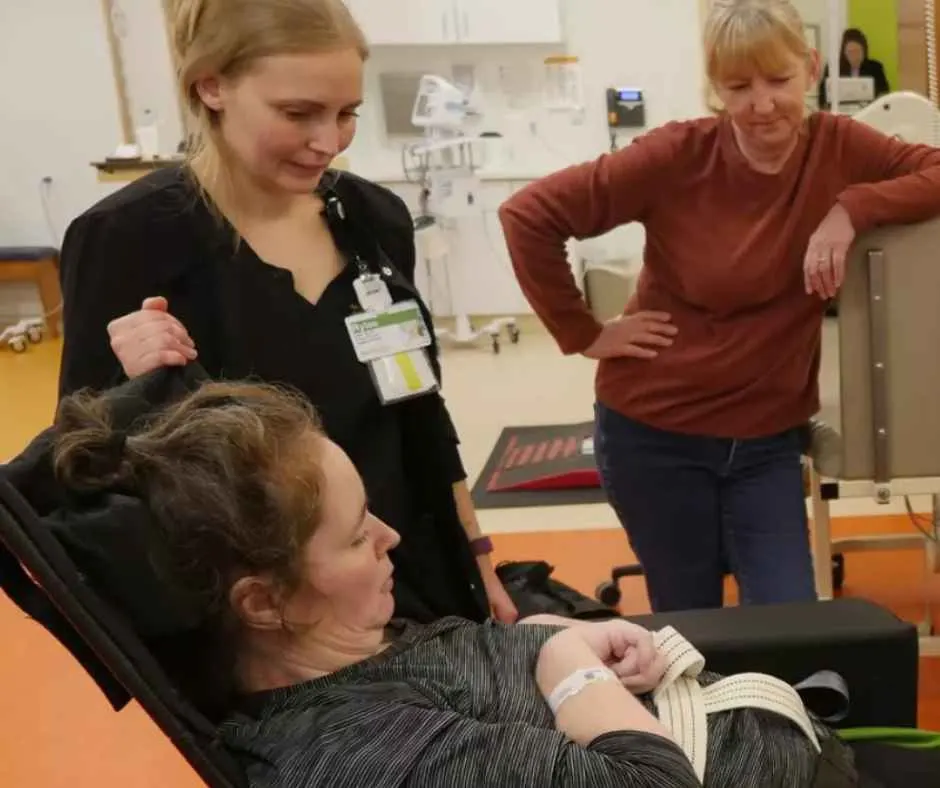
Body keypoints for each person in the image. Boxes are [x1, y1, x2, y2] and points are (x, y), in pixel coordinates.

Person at [50, 376, 924, 788]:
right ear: (264, 601)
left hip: (790, 738)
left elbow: (495, 684)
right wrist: (569, 672)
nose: (391, 538)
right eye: (358, 537)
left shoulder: (365, 657)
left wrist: (558, 637)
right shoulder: (361, 757)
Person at [54, 0, 516, 625]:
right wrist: (133, 388)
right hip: (263, 614)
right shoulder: (130, 236)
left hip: (410, 571)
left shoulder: (372, 220)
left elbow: (421, 413)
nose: (328, 142)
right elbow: (79, 461)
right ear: (210, 85)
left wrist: (477, 557)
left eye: (346, 114)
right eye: (298, 113)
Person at [497, 0, 940, 614]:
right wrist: (585, 333)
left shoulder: (839, 148)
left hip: (766, 444)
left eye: (779, 80)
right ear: (715, 89)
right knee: (693, 632)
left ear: (810, 68)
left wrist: (853, 209)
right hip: (656, 436)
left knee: (787, 625)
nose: (762, 104)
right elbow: (528, 215)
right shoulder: (678, 155)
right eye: (739, 86)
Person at [819, 28, 890, 110]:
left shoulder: (875, 67)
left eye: (857, 51)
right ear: (844, 52)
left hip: (868, 112)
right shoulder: (833, 67)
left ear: (864, 51)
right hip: (841, 114)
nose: (854, 56)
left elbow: (884, 94)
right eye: (850, 52)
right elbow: (823, 96)